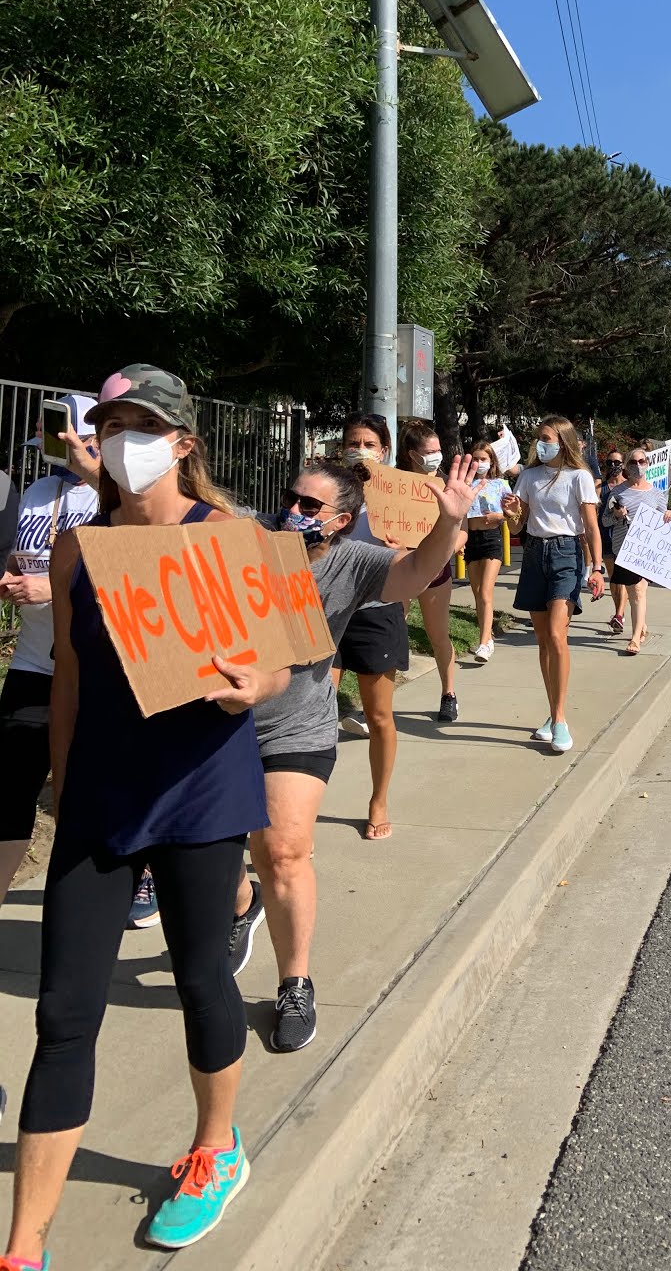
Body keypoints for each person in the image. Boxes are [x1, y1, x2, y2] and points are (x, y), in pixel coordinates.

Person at [4, 364, 291, 1263]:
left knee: (202, 979)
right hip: (101, 802)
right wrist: (62, 782)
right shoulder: (77, 549)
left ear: (181, 443)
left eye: (139, 423)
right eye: (110, 421)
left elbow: (278, 665)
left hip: (203, 795)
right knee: (63, 1013)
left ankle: (216, 1148)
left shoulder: (233, 535)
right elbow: (68, 689)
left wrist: (255, 690)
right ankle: (25, 1241)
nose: (120, 438)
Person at [227, 453, 481, 1057]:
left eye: (309, 506)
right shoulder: (247, 535)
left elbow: (417, 571)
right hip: (219, 726)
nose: (292, 511)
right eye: (291, 498)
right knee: (219, 857)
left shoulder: (356, 561)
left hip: (297, 727)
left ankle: (294, 982)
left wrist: (447, 524)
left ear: (342, 520)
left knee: (283, 848)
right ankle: (243, 902)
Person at [0, 396, 100, 909]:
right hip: (35, 662)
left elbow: (130, 576)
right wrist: (13, 583)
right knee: (11, 787)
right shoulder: (38, 491)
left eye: (62, 441)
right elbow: (21, 556)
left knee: (96, 785)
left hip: (93, 669)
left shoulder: (118, 498)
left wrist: (52, 589)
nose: (51, 452)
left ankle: (136, 874)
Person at [500, 417, 605, 755]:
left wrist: (597, 568)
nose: (540, 444)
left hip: (566, 553)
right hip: (534, 553)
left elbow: (590, 525)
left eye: (546, 438)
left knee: (558, 636)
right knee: (543, 641)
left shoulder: (580, 477)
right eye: (538, 439)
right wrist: (512, 513)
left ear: (564, 441)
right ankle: (552, 712)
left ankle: (560, 719)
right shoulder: (529, 477)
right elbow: (517, 529)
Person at [332, 415, 411, 809]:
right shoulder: (328, 489)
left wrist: (404, 549)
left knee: (378, 716)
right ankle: (300, 810)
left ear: (384, 451)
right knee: (314, 712)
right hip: (327, 610)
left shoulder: (401, 495)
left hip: (377, 610)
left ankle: (378, 800)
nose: (359, 449)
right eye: (352, 442)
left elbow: (422, 555)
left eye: (368, 443)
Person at [394, 421, 462, 726]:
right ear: (412, 454)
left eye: (438, 450)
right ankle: (379, 703)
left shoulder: (449, 484)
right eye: (430, 451)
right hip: (402, 568)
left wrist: (450, 545)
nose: (437, 456)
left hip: (436, 572)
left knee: (438, 636)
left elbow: (464, 532)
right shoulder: (394, 484)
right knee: (392, 636)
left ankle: (449, 695)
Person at [602, 451, 671, 654]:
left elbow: (664, 521)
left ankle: (635, 639)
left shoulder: (657, 494)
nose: (638, 465)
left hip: (647, 551)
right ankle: (641, 625)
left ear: (648, 464)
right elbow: (605, 521)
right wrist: (616, 515)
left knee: (639, 591)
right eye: (633, 462)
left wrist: (669, 514)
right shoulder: (617, 493)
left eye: (641, 461)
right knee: (634, 591)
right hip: (624, 549)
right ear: (626, 465)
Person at [464, 441, 509, 662]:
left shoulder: (500, 484)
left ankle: (484, 643)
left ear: (491, 461)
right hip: (471, 539)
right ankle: (487, 635)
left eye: (483, 459)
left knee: (485, 592)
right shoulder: (465, 484)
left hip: (491, 538)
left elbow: (513, 513)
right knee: (477, 593)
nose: (479, 462)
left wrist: (500, 516)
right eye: (476, 458)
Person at [598, 446, 627, 636]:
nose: (614, 465)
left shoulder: (629, 486)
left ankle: (619, 614)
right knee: (614, 578)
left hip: (623, 537)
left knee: (622, 578)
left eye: (617, 462)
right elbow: (592, 512)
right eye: (610, 463)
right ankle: (619, 613)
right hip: (605, 537)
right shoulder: (600, 488)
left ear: (623, 464)